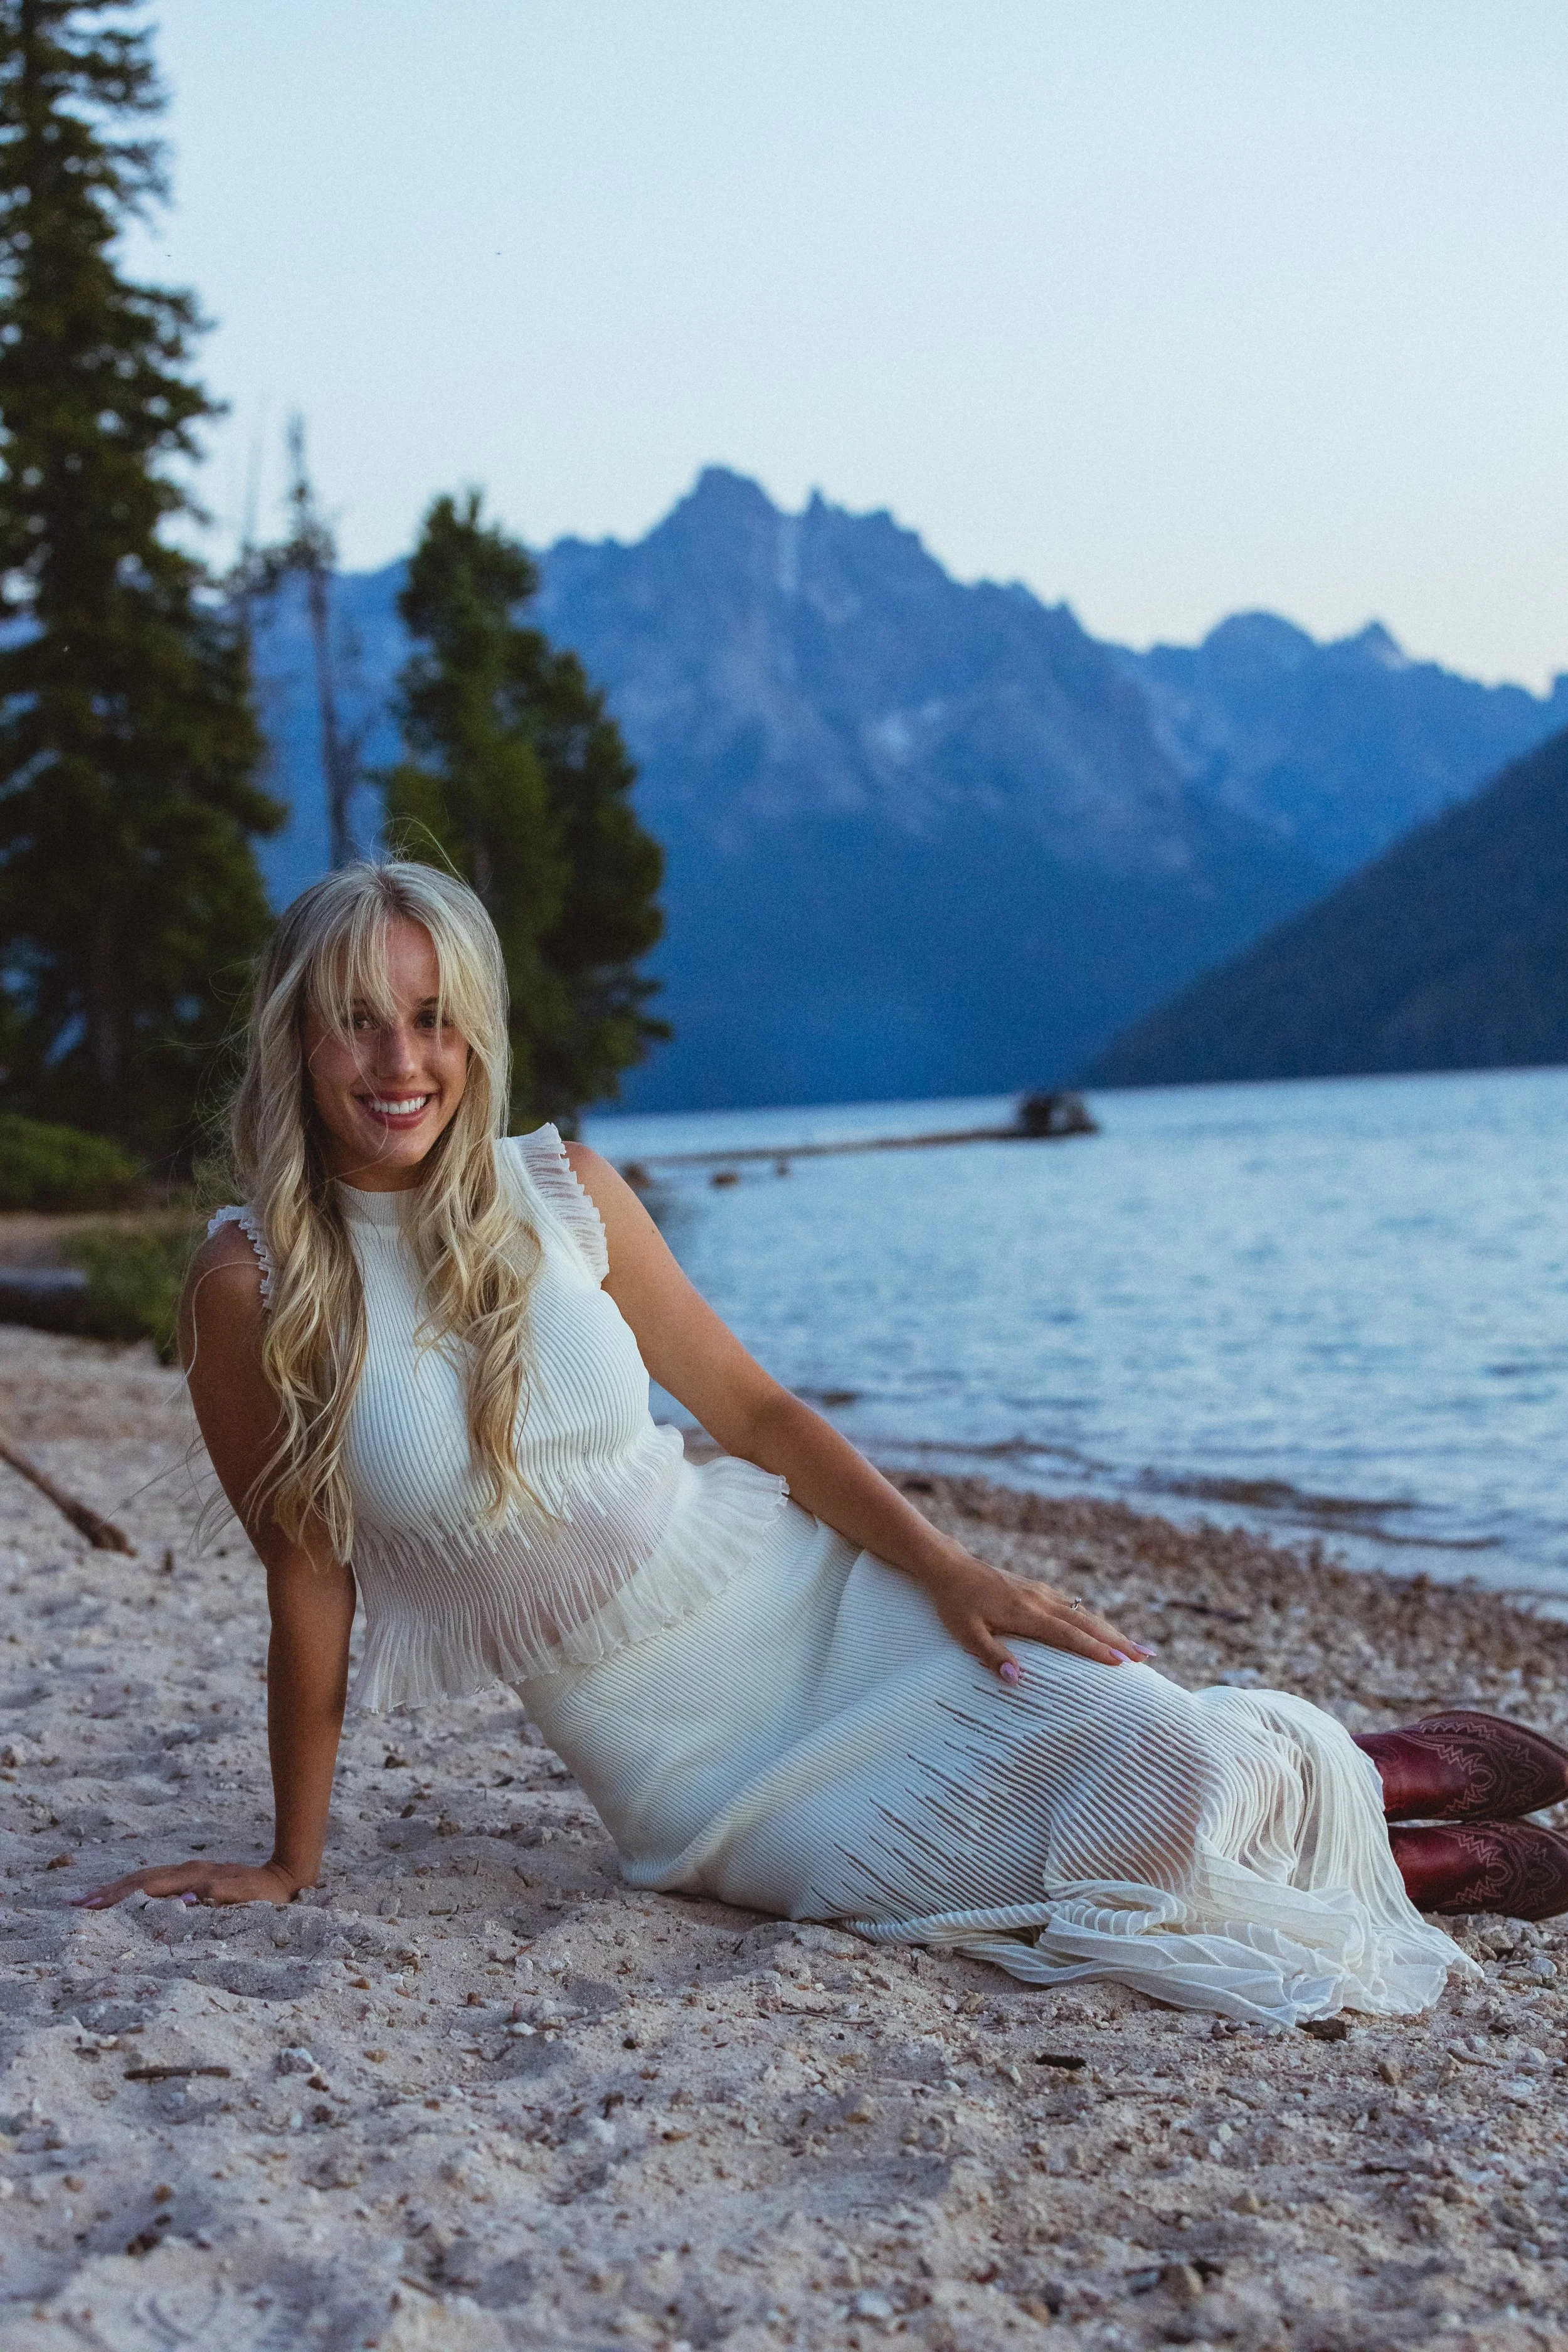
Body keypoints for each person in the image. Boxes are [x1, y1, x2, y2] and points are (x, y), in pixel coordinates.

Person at [75, 863, 1568, 2025]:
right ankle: (1401, 1848)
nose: (400, 1059)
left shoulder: (562, 1187)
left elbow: (756, 1416)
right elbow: (307, 1580)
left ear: (474, 1031)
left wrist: (951, 1569)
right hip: (683, 1762)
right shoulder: (248, 1289)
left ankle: (1362, 1776)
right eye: (357, 1017)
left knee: (1152, 1744)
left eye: (433, 1015)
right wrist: (293, 1857)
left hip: (808, 1600)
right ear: (298, 1034)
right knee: (1058, 1868)